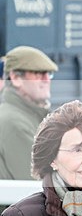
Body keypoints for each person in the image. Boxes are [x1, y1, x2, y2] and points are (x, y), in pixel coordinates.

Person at [0, 46, 58, 180]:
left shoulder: (28, 116)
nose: (46, 79)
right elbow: (36, 184)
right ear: (15, 78)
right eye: (38, 73)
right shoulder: (14, 123)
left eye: (48, 74)